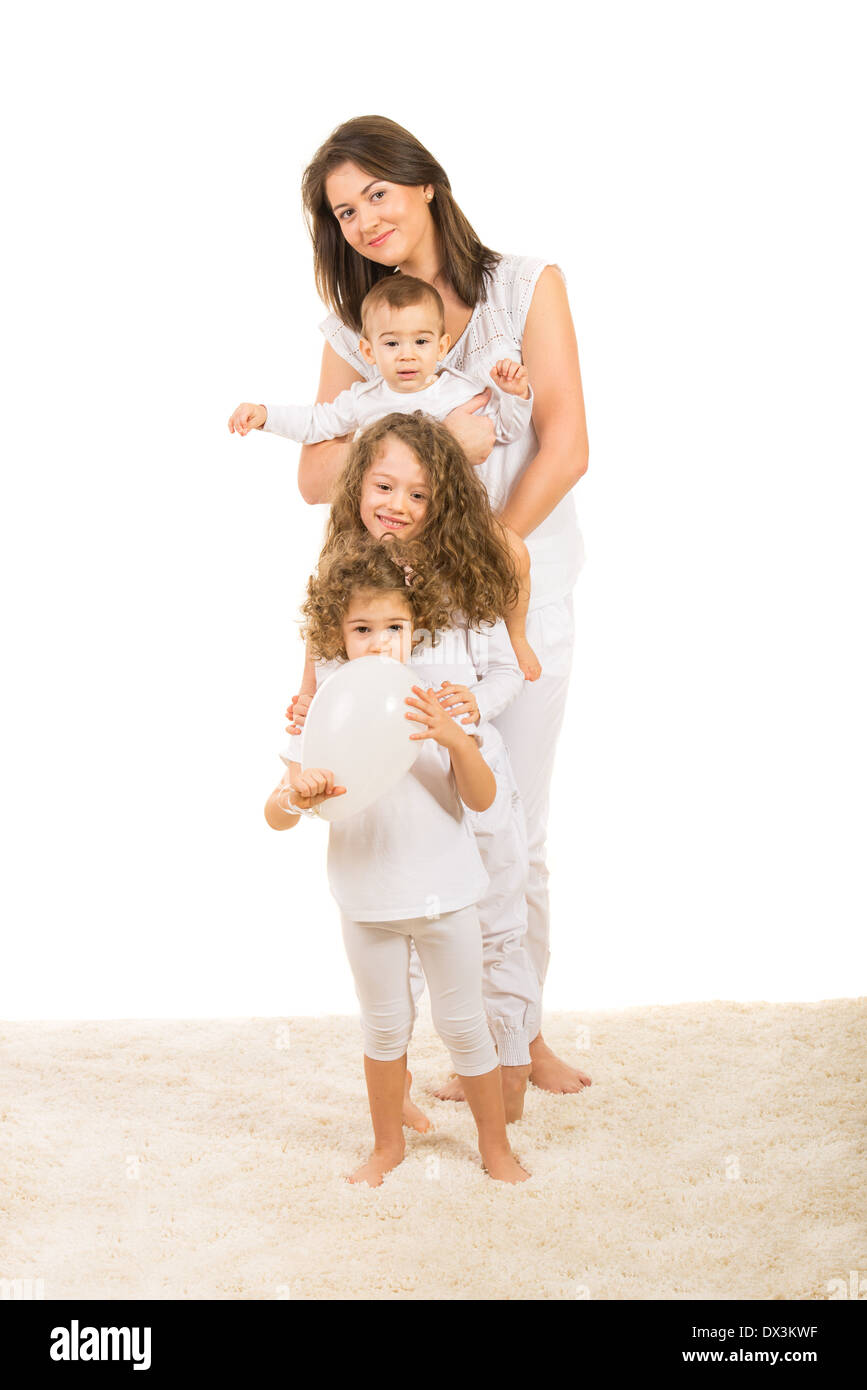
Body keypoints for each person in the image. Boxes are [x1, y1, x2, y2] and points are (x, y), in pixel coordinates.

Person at [291, 115, 591, 1095]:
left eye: (378, 191)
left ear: (425, 184)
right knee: (424, 820)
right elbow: (315, 474)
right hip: (400, 620)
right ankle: (449, 1047)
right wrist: (432, 440)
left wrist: (491, 545)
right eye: (344, 209)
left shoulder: (524, 286)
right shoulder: (357, 325)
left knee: (514, 824)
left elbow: (564, 442)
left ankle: (522, 1038)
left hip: (514, 605)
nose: (365, 217)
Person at [286, 413, 540, 1123]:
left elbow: (504, 674)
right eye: (383, 485)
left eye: (419, 494)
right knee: (393, 925)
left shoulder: (466, 573)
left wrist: (470, 709)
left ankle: (508, 1067)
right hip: (388, 791)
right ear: (359, 485)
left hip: (462, 773)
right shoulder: (343, 571)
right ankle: (394, 1095)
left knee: (489, 922)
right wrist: (311, 707)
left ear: (444, 502)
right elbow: (327, 668)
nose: (396, 504)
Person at [264, 532, 530, 1187]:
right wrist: (295, 795)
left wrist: (456, 742)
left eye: (393, 625)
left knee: (464, 1024)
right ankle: (387, 1145)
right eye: (361, 628)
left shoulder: (431, 700)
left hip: (446, 893)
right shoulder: (322, 712)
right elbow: (275, 813)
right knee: (383, 1029)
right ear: (336, 632)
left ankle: (494, 1147)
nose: (379, 641)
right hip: (367, 898)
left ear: (418, 627)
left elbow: (482, 797)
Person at [228, 274, 541, 681]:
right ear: (368, 350)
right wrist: (266, 415)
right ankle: (314, 684)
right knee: (335, 581)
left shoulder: (458, 392)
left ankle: (515, 637)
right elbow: (317, 421)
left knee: (514, 551)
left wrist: (515, 396)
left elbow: (505, 430)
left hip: (446, 513)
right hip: (386, 519)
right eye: (392, 344)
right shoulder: (366, 398)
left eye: (421, 342)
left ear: (442, 346)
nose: (407, 356)